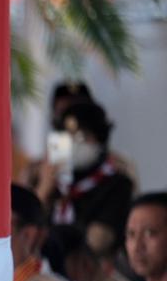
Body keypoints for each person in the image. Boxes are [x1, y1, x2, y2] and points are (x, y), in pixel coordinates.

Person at [35, 102, 134, 258]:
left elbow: (96, 242)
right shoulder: (48, 179)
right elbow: (24, 234)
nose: (74, 144)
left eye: (83, 137)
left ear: (100, 141)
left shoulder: (117, 184)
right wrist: (44, 189)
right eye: (67, 136)